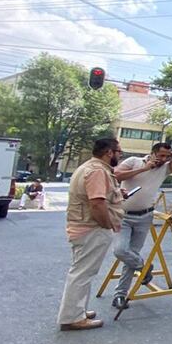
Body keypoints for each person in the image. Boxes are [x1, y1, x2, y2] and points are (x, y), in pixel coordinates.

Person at [111, 141, 172, 309]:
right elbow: (116, 175)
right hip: (123, 215)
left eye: (166, 156)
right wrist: (145, 168)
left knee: (132, 255)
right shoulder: (134, 161)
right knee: (121, 250)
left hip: (145, 216)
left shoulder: (165, 168)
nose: (164, 159)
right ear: (152, 153)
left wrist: (168, 155)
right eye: (160, 155)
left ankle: (120, 295)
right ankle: (144, 267)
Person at [56, 138, 124, 331]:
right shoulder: (97, 171)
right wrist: (107, 224)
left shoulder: (89, 167)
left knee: (83, 271)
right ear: (109, 152)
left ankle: (78, 311)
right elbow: (97, 203)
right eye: (119, 152)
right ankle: (72, 317)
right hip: (92, 228)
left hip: (84, 226)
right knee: (82, 274)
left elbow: (100, 198)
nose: (120, 155)